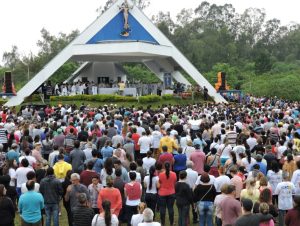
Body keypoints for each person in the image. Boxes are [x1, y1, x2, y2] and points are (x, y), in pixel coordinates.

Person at [158, 162, 177, 226]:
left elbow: (159, 183)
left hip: (162, 193)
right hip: (171, 193)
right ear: (170, 166)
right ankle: (171, 223)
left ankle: (162, 223)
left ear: (164, 167)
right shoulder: (174, 174)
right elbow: (174, 182)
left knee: (162, 209)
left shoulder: (160, 174)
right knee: (170, 208)